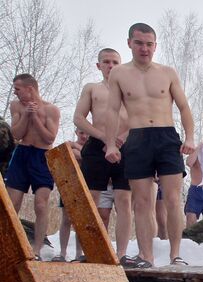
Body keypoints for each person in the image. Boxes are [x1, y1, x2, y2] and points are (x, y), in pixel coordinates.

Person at [104, 23, 195, 268]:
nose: (144, 48)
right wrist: (111, 144)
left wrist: (190, 137)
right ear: (129, 43)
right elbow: (112, 110)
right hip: (137, 138)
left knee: (173, 199)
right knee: (142, 202)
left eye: (149, 44)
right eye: (139, 43)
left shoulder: (167, 72)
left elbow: (184, 107)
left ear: (155, 45)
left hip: (166, 137)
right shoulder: (119, 74)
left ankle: (175, 255)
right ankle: (147, 256)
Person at [73, 48, 136, 268]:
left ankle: (121, 253)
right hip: (97, 146)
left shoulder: (129, 89)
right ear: (98, 65)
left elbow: (139, 117)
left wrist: (121, 138)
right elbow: (79, 118)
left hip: (125, 147)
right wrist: (103, 137)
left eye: (115, 62)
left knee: (124, 201)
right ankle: (88, 249)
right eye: (106, 62)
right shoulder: (92, 89)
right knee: (92, 200)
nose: (111, 65)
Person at [5, 73, 60, 260]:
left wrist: (35, 117)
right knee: (12, 204)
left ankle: (37, 249)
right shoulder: (16, 106)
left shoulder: (51, 109)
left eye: (18, 89)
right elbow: (16, 134)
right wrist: (26, 116)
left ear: (30, 89)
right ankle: (8, 244)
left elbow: (49, 138)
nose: (16, 93)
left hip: (41, 157)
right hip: (22, 154)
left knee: (41, 204)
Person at [52, 128, 88, 262]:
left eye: (87, 133)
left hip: (86, 185)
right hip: (69, 184)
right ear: (77, 132)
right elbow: (66, 153)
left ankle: (79, 253)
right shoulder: (69, 145)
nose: (84, 136)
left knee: (82, 221)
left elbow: (83, 155)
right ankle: (62, 252)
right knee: (66, 219)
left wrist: (76, 148)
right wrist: (74, 148)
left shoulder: (90, 149)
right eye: (82, 133)